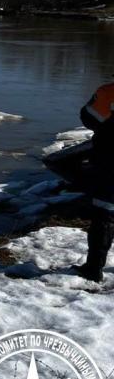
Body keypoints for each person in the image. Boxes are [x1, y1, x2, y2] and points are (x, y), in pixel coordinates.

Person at [75, 81, 114, 282]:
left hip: (110, 161)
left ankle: (94, 268)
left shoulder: (109, 92)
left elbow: (89, 117)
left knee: (104, 214)